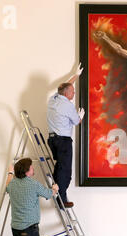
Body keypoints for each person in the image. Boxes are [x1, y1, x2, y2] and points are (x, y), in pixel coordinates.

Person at [47, 63, 85, 208]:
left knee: (59, 169)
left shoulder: (54, 99)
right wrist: (81, 115)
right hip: (63, 142)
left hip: (52, 140)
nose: (74, 93)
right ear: (67, 93)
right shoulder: (68, 105)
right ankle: (61, 199)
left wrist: (76, 75)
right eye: (73, 92)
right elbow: (77, 122)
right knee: (66, 172)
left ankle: (57, 192)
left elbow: (65, 86)